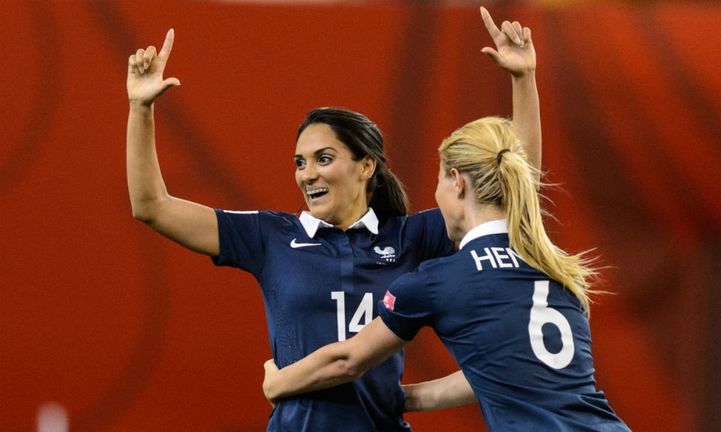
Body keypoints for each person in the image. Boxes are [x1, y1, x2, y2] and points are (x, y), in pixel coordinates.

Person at [126, 6, 540, 431]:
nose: (308, 174)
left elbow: (513, 189)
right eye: (300, 163)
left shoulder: (411, 237)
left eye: (324, 159)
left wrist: (523, 79)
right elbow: (152, 205)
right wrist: (141, 108)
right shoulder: (269, 236)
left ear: (366, 167)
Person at [260, 56, 629, 432]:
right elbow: (502, 371)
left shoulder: (436, 281)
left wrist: (279, 381)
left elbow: (348, 360)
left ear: (457, 182)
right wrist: (404, 397)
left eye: (438, 181)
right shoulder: (557, 273)